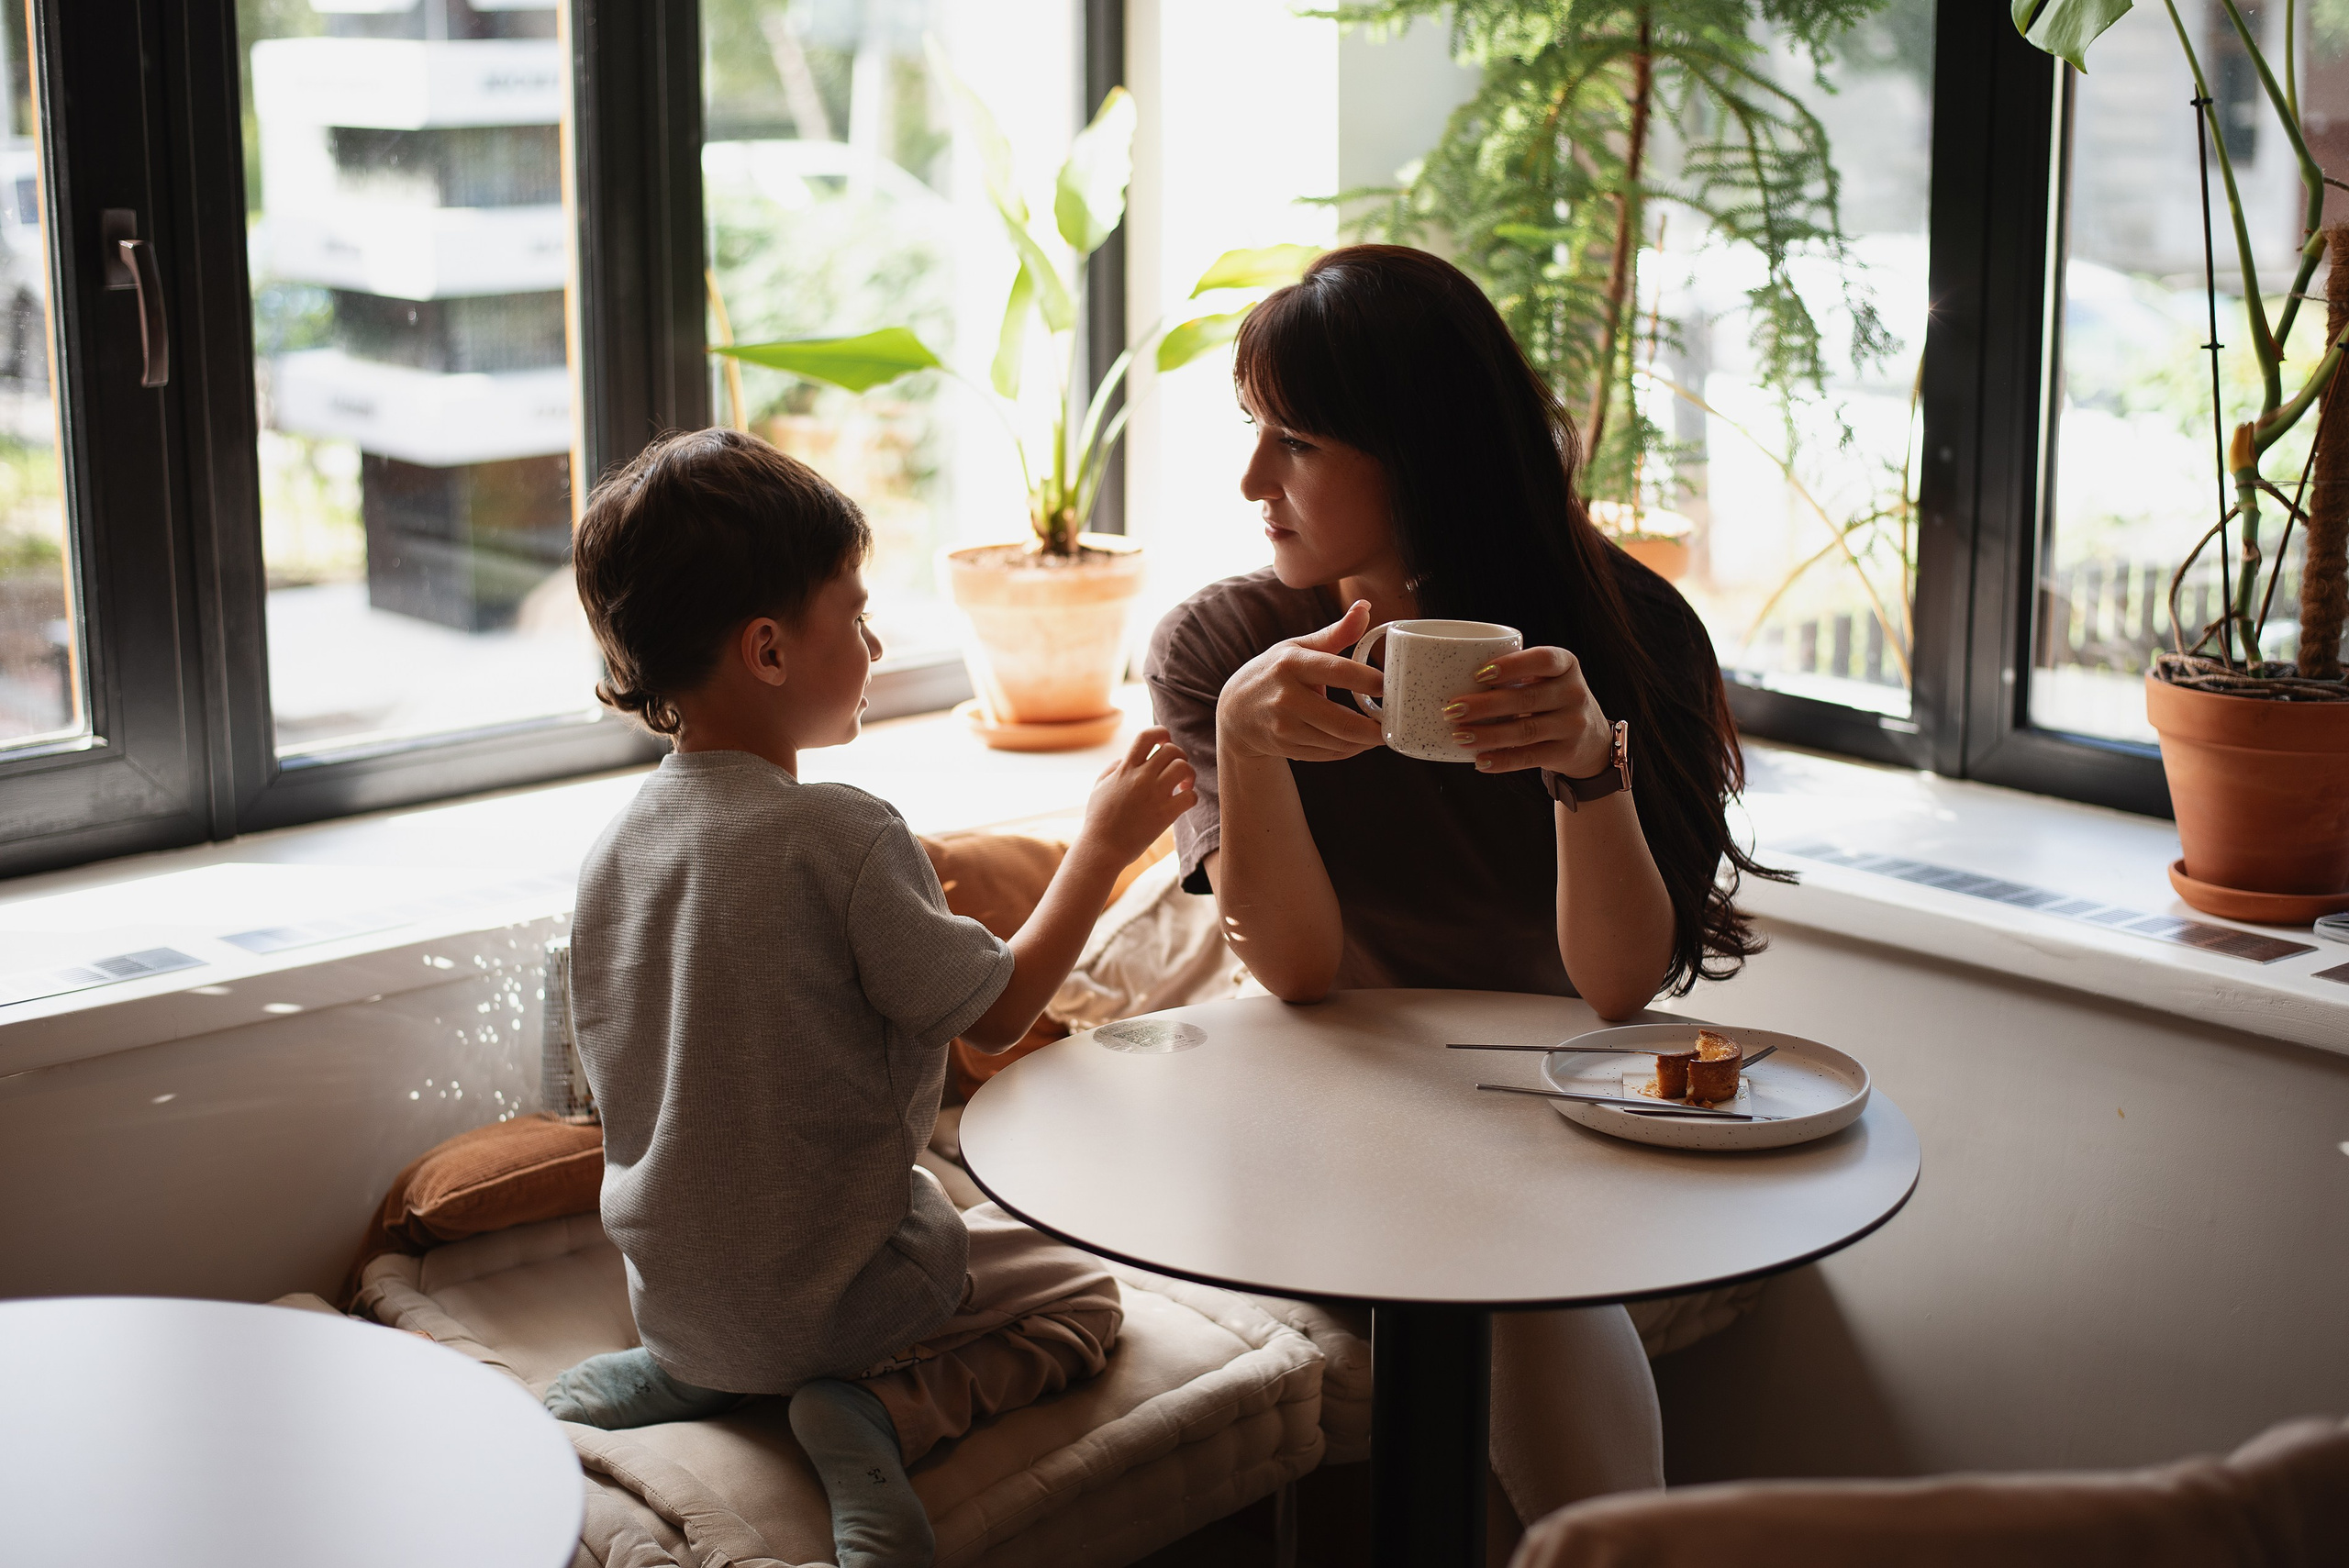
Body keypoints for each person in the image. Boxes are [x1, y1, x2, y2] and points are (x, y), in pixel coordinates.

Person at [1143, 245, 1784, 1525]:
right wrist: (1250, 744)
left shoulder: (1628, 635)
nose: (1253, 481)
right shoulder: (1225, 648)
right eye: (1255, 432)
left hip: (1540, 1106)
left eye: (1298, 441)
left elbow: (1615, 987)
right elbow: (1300, 976)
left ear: (1421, 451)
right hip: (1312, 1092)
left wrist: (1587, 770)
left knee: (1509, 1248)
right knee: (1502, 1262)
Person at [543, 428, 1197, 1568]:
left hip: (679, 1293)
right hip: (841, 1305)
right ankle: (874, 1414)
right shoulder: (842, 835)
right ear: (768, 650)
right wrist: (1097, 848)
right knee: (1083, 1295)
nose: (876, 639)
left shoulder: (614, 849)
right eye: (852, 612)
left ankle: (683, 1372)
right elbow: (996, 1015)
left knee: (777, 1244)